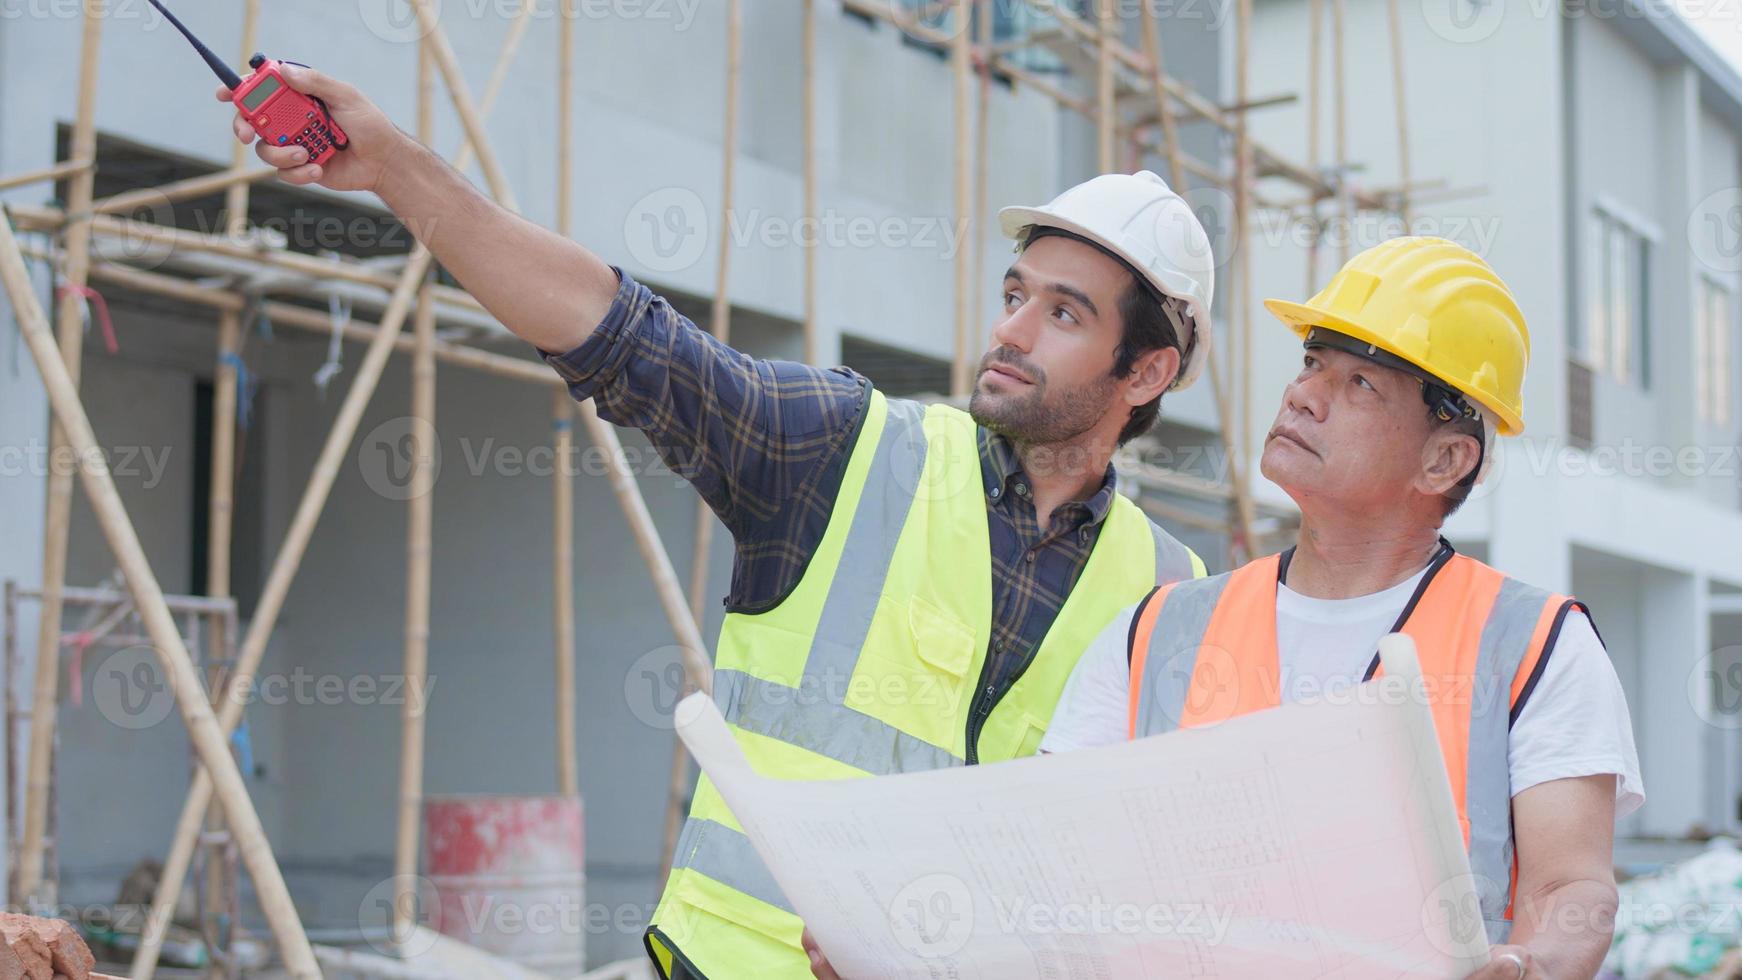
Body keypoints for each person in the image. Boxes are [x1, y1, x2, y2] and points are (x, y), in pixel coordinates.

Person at [224, 65, 1217, 978]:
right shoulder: (848, 450)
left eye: (1062, 313)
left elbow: (1128, 884)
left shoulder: (1166, 596)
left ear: (1146, 371)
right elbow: (618, 332)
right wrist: (398, 167)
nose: (1009, 328)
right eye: (1013, 293)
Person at [1035, 237, 1643, 980]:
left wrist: (1532, 965)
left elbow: (1569, 887)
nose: (1303, 395)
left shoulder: (1534, 646)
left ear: (1445, 459)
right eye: (1312, 364)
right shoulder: (1154, 632)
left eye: (1360, 384)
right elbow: (1056, 855)